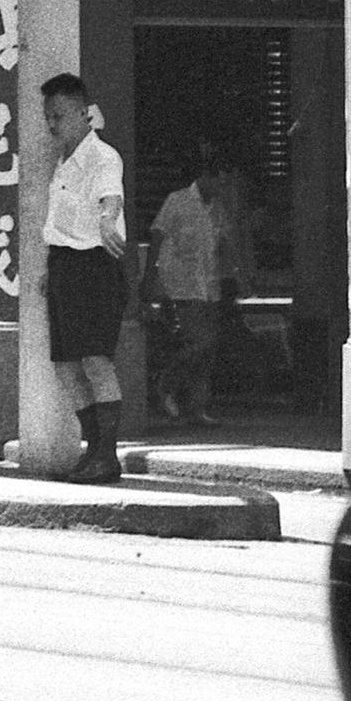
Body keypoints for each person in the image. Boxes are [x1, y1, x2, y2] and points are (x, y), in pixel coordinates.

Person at [38, 75, 128, 485]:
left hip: (94, 265)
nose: (52, 124)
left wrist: (109, 220)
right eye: (48, 116)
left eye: (58, 116)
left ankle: (107, 456)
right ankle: (93, 449)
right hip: (64, 268)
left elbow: (111, 198)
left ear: (81, 113)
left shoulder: (102, 157)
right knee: (65, 365)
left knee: (95, 360)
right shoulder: (62, 162)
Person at [149, 146, 229, 426]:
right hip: (181, 284)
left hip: (208, 284)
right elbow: (157, 236)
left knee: (208, 350)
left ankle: (196, 407)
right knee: (198, 342)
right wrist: (150, 277)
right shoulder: (178, 201)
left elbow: (221, 246)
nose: (221, 187)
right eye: (219, 180)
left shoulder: (217, 209)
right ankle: (165, 383)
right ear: (206, 177)